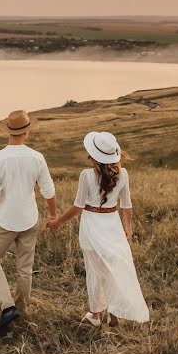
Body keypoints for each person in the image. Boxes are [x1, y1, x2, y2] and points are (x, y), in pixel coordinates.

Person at [47, 131, 149, 326]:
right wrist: (128, 227)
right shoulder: (123, 174)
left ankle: (95, 315)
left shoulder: (86, 175)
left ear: (93, 154)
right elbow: (126, 204)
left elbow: (78, 206)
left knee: (94, 270)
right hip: (113, 224)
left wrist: (58, 221)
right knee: (112, 269)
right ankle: (114, 312)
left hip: (92, 224)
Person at [0, 109, 57, 335]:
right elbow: (48, 190)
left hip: (5, 219)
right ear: (27, 133)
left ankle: (8, 306)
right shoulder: (37, 157)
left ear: (8, 131)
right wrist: (53, 214)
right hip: (29, 219)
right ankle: (21, 311)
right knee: (25, 268)